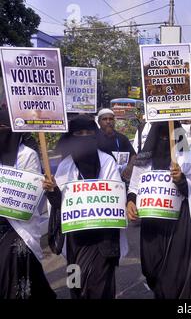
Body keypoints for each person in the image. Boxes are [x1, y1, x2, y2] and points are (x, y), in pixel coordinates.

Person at [44, 115, 128, 299]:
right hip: (76, 242)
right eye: (79, 133)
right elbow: (60, 207)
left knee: (100, 287)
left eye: (89, 133)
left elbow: (116, 196)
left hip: (103, 240)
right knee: (75, 285)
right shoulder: (65, 167)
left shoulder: (107, 162)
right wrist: (52, 192)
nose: (84, 137)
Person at [126, 121, 191, 299]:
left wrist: (181, 180)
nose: (166, 140)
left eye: (169, 136)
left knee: (176, 275)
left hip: (178, 226)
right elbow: (134, 186)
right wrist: (131, 201)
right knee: (151, 269)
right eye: (162, 136)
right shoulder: (144, 159)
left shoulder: (184, 156)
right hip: (151, 226)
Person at [0, 111, 55, 299]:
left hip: (17, 226)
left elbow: (31, 195)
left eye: (4, 129)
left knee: (13, 267)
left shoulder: (26, 155)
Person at [96, 108, 136, 181]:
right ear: (99, 122)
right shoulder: (94, 138)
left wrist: (130, 167)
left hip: (120, 178)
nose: (108, 122)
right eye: (104, 119)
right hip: (101, 178)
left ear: (114, 121)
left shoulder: (122, 138)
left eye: (111, 119)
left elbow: (133, 155)